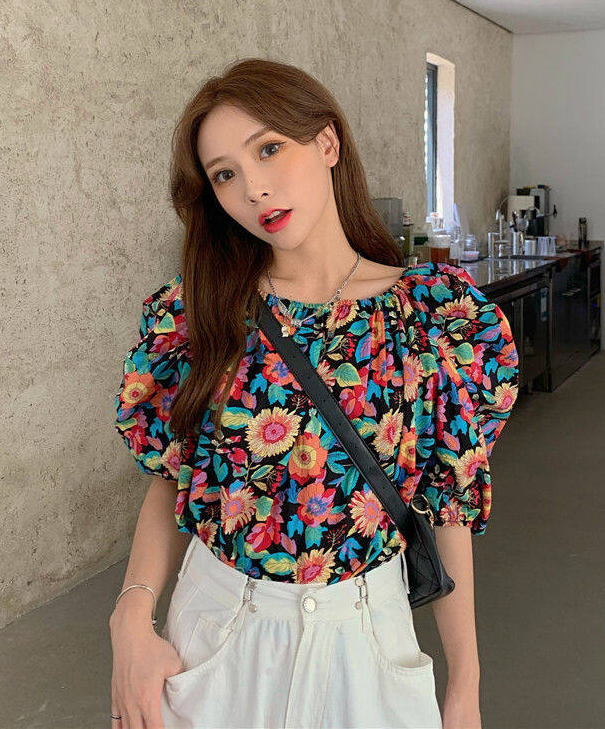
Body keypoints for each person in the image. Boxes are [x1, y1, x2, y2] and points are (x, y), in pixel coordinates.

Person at [108, 58, 520, 729]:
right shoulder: (200, 312)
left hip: (367, 637)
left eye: (269, 149)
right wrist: (131, 611)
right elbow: (174, 474)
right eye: (225, 174)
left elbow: (449, 503)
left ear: (327, 142)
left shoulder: (434, 317)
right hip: (218, 630)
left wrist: (465, 686)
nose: (254, 189)